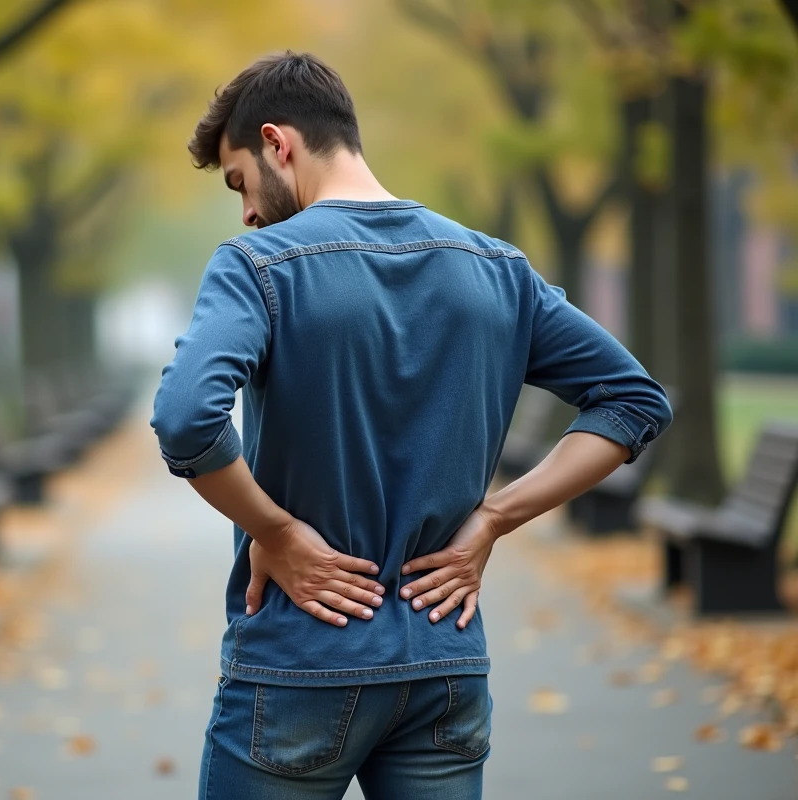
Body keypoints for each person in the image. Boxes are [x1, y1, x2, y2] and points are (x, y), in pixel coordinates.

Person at [150, 51, 672, 800]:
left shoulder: (257, 265)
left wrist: (278, 532)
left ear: (278, 142)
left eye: (239, 182)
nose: (248, 212)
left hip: (302, 660)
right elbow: (633, 399)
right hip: (445, 664)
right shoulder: (498, 268)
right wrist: (494, 519)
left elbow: (184, 418)